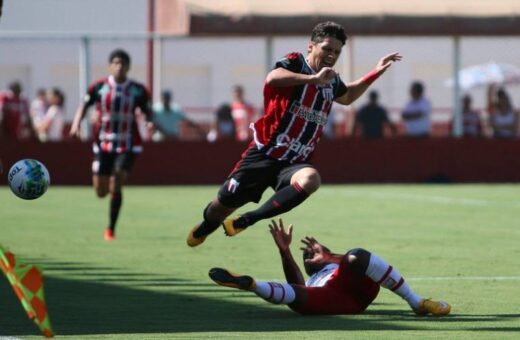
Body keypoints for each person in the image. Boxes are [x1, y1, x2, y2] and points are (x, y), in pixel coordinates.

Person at [187, 21, 402, 247]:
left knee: (312, 179)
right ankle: (206, 227)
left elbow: (347, 97)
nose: (332, 55)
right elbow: (273, 78)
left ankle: (248, 219)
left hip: (295, 161)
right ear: (311, 46)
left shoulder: (332, 80)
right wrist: (313, 79)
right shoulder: (296, 63)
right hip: (264, 154)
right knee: (219, 208)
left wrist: (376, 72)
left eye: (337, 51)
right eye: (327, 49)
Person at [209, 219, 451, 316]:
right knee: (296, 298)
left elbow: (355, 262)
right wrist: (285, 251)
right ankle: (251, 284)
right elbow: (298, 285)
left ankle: (416, 302)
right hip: (331, 298)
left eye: (312, 251)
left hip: (355, 286)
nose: (308, 254)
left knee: (356, 255)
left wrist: (330, 255)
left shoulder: (338, 262)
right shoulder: (313, 282)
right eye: (305, 256)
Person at [69, 49, 153, 241]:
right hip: (103, 143)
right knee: (100, 191)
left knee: (117, 182)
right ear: (109, 66)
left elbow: (148, 111)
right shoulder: (99, 87)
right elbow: (84, 105)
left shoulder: (138, 90)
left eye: (123, 63)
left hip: (128, 143)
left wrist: (149, 122)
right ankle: (107, 190)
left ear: (129, 67)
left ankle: (110, 229)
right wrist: (76, 125)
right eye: (116, 63)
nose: (119, 66)